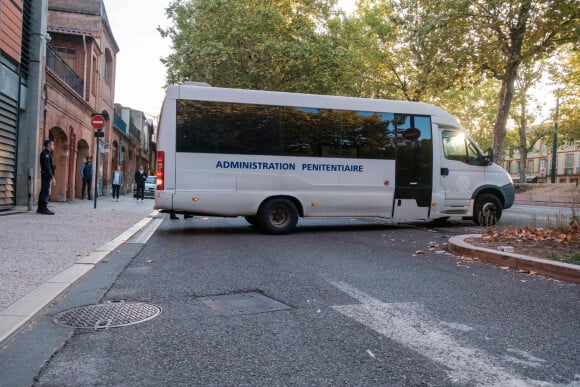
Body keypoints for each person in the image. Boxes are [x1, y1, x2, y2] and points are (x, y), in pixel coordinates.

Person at [37, 139, 55, 215]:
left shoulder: (48, 153)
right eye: (53, 144)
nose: (54, 146)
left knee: (44, 190)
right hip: (46, 175)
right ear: (48, 145)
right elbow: (47, 167)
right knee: (45, 191)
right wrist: (52, 177)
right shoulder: (45, 154)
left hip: (46, 174)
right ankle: (44, 208)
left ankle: (40, 208)